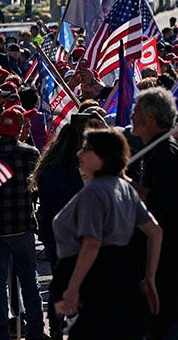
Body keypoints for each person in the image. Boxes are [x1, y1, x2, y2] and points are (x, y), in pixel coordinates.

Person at [51, 128, 162, 339]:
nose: (79, 154)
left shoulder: (95, 191)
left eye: (87, 149)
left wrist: (72, 289)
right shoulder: (124, 187)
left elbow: (92, 243)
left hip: (94, 283)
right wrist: (149, 277)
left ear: (103, 156)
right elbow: (155, 232)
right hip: (123, 279)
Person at [132, 88, 178, 339]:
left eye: (136, 110)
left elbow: (168, 205)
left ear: (151, 116)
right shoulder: (155, 151)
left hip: (171, 270)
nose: (131, 116)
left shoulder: (166, 153)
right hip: (165, 267)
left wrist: (128, 187)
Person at [30, 115, 88, 337]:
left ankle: (56, 324)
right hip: (72, 229)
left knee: (58, 276)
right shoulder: (76, 168)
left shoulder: (47, 166)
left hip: (50, 228)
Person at [0, 107, 45, 340]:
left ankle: (1, 331)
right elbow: (36, 189)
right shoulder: (30, 153)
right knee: (29, 281)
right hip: (22, 226)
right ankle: (35, 330)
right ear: (19, 128)